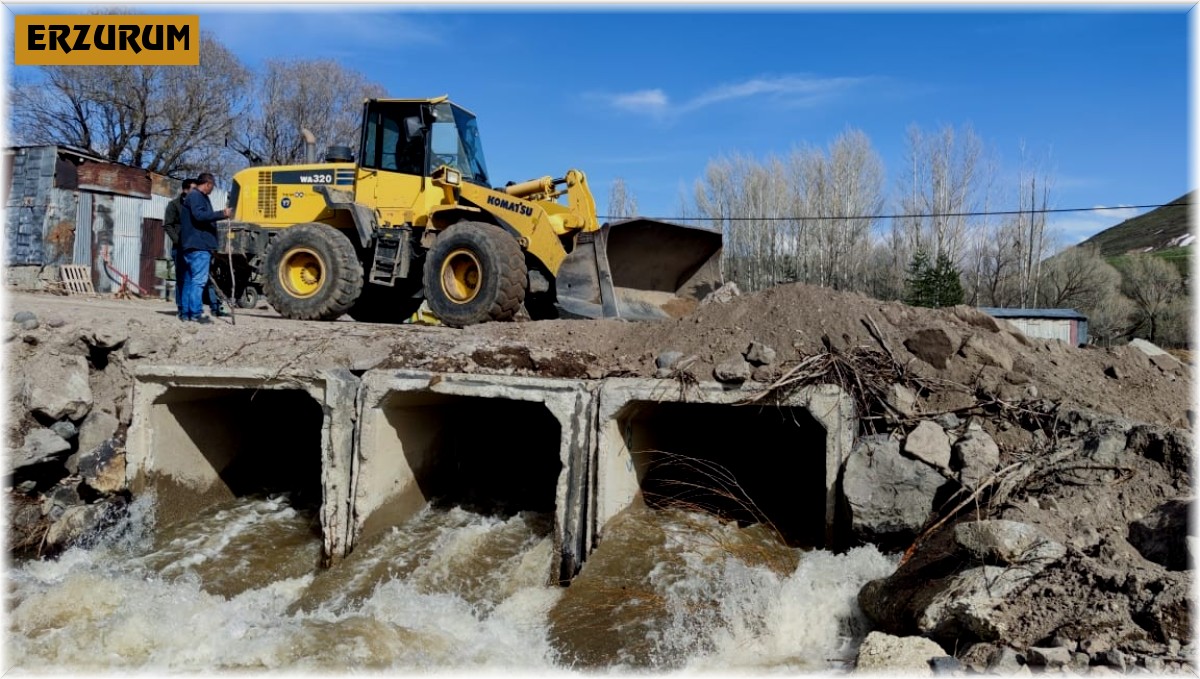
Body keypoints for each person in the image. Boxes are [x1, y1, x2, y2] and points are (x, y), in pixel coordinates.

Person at [179, 172, 232, 323]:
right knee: (198, 281)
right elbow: (200, 216)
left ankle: (186, 313)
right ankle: (195, 313)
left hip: (192, 245)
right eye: (212, 187)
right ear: (208, 184)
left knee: (190, 280)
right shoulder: (196, 196)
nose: (212, 190)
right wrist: (222, 214)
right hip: (199, 245)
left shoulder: (195, 197)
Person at [163, 179, 197, 318]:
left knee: (194, 279)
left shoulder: (196, 206)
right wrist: (178, 241)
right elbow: (168, 225)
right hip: (180, 248)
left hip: (195, 248)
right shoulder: (174, 205)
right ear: (185, 190)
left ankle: (190, 309)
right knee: (182, 279)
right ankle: (181, 308)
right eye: (194, 190)